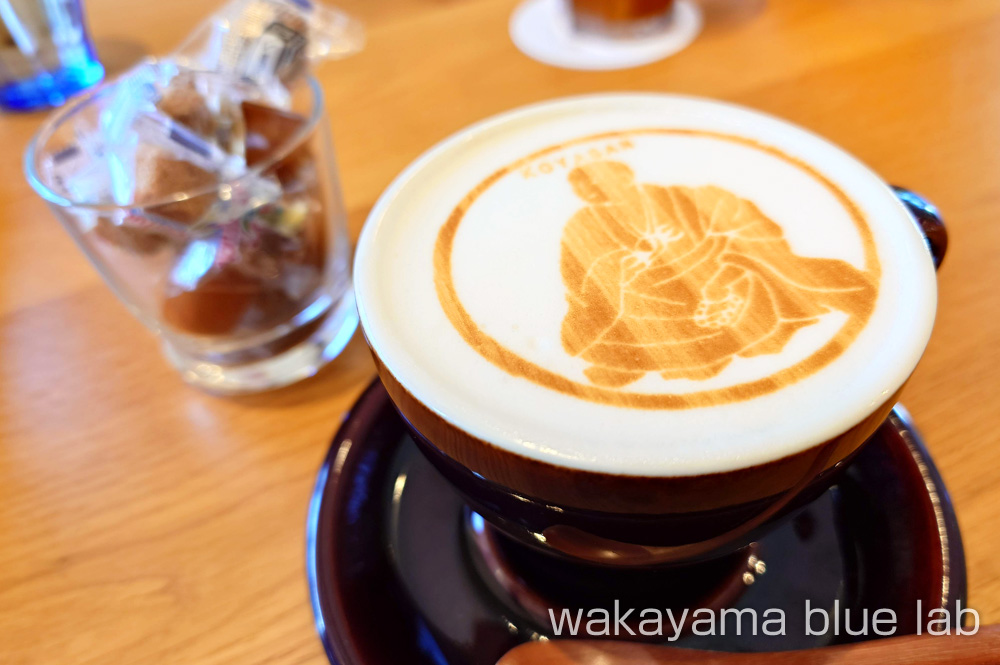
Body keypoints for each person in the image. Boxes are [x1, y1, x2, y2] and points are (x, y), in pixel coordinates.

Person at [559, 160, 876, 388]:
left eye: (603, 182)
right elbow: (580, 277)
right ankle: (635, 361)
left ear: (626, 176)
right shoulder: (581, 226)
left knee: (753, 282)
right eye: (587, 190)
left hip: (715, 272)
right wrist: (623, 266)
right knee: (619, 329)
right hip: (643, 292)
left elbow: (745, 224)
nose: (598, 193)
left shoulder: (686, 197)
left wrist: (720, 265)